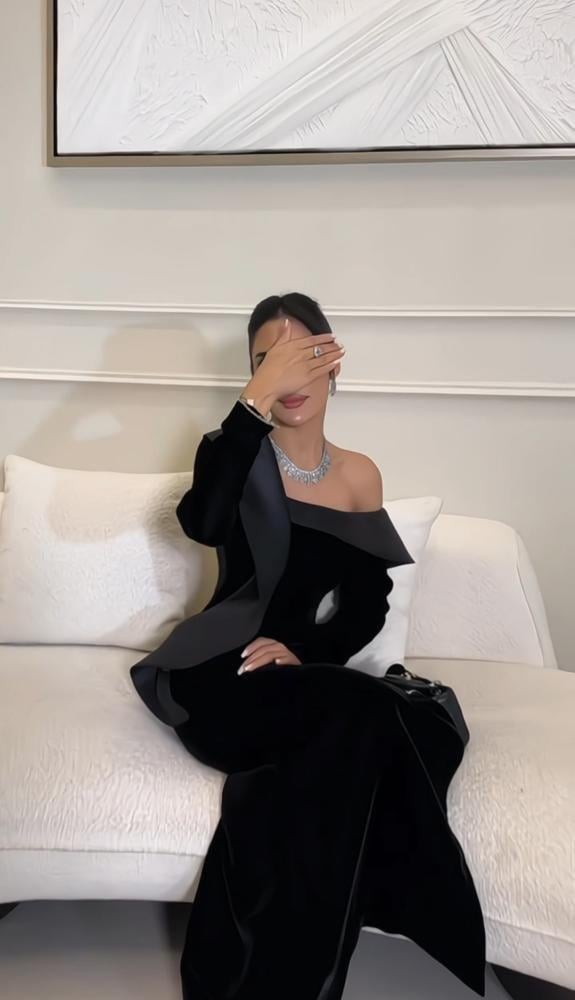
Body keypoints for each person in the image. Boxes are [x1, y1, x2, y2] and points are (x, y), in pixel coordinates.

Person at [130, 292, 486, 1000]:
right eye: (267, 361)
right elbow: (203, 523)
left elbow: (366, 601)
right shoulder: (232, 451)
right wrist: (250, 404)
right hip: (218, 676)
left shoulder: (358, 475)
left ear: (333, 363)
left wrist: (300, 647)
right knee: (373, 715)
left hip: (299, 681)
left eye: (303, 356)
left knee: (340, 747)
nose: (288, 374)